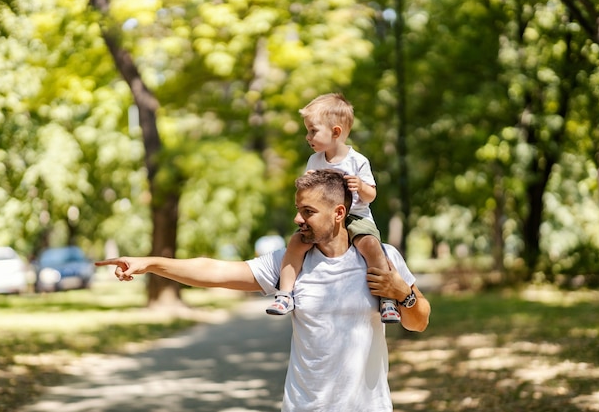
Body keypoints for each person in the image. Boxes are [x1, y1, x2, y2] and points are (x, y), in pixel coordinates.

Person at [95, 169, 431, 412]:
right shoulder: (289, 263)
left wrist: (403, 293)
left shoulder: (382, 258)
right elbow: (214, 271)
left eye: (308, 212)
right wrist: (151, 263)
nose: (299, 220)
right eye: (298, 210)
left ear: (339, 213)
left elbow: (418, 321)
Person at [266, 93, 401, 323]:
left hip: (355, 215)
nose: (308, 136)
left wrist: (360, 186)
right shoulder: (315, 160)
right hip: (325, 218)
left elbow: (371, 195)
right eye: (308, 130)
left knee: (371, 245)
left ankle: (387, 300)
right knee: (296, 242)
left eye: (313, 131)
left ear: (336, 132)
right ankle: (285, 294)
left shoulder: (357, 161)